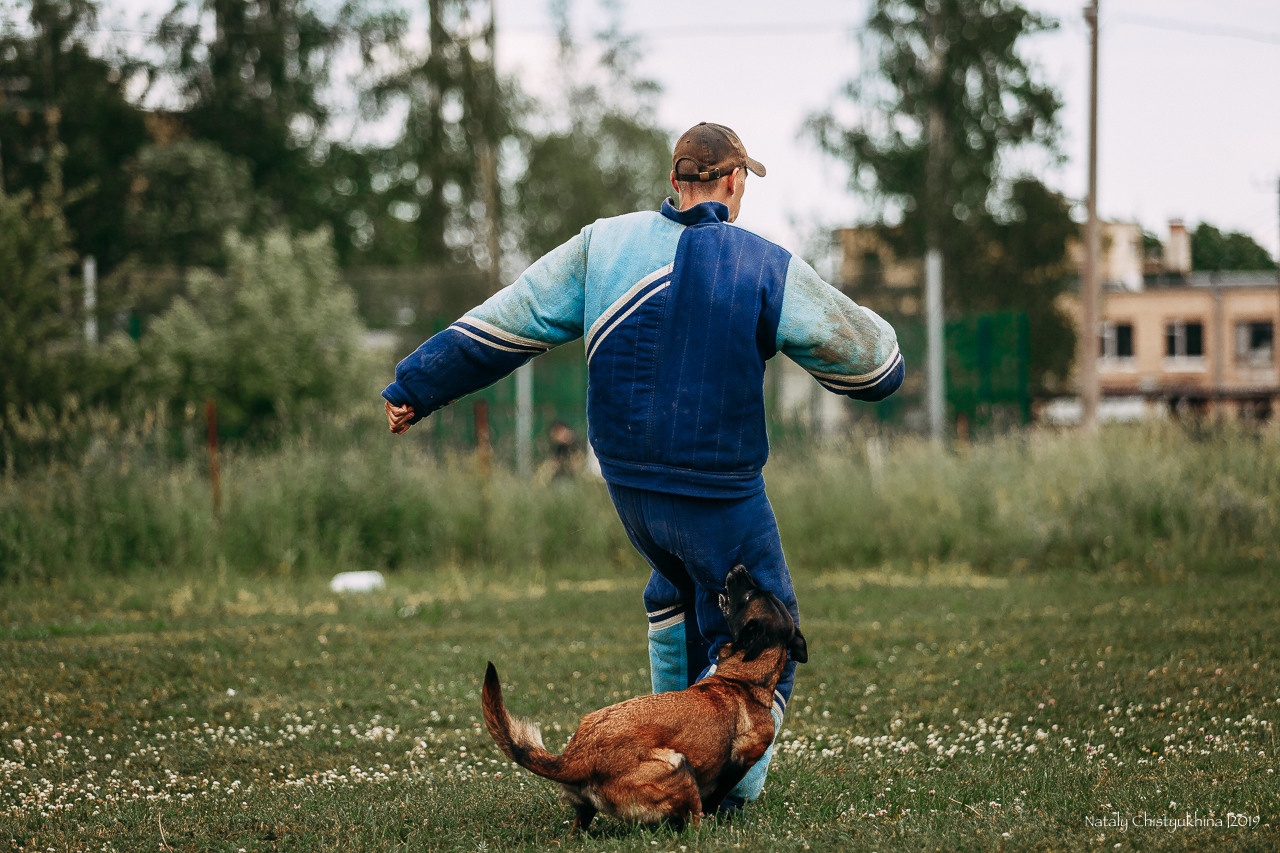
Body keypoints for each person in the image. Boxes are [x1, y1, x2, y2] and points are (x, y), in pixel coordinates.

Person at [383, 121, 904, 813]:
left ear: (674, 181)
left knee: (675, 595)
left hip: (632, 493)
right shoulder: (762, 264)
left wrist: (414, 384)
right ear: (734, 182)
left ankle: (664, 754)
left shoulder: (604, 243)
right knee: (766, 639)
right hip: (719, 493)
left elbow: (512, 317)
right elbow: (875, 364)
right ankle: (730, 793)